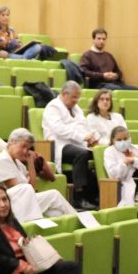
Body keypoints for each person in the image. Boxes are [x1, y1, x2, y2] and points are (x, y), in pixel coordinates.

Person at [0, 128, 76, 221]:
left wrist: (30, 161)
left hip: (25, 201)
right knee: (50, 195)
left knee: (56, 211)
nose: (25, 151)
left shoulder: (18, 163)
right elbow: (24, 191)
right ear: (12, 141)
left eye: (28, 148)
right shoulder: (2, 160)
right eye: (23, 146)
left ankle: (76, 222)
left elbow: (33, 188)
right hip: (11, 203)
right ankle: (79, 219)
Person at [42, 80, 99, 209]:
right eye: (73, 97)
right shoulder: (53, 107)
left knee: (95, 154)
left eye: (78, 97)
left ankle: (94, 194)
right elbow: (59, 129)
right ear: (64, 94)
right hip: (59, 144)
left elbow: (83, 125)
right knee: (81, 154)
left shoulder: (76, 108)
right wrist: (81, 136)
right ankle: (78, 197)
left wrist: (89, 138)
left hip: (76, 143)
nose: (76, 100)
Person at [105, 125, 138, 207]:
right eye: (119, 140)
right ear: (113, 140)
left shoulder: (137, 149)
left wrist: (135, 160)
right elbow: (113, 175)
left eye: (125, 139)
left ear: (130, 138)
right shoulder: (109, 152)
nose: (123, 142)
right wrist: (125, 163)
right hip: (126, 186)